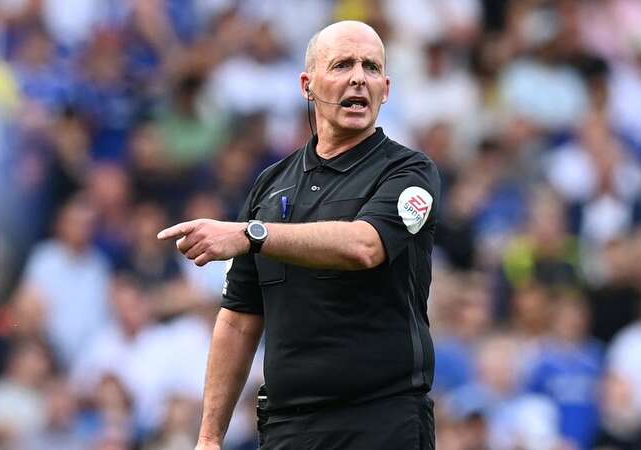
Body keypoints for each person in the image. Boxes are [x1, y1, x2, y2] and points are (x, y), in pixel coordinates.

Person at [158, 20, 440, 450]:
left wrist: (253, 234)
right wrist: (210, 436)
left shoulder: (408, 172)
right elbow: (238, 319)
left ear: (386, 87)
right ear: (308, 85)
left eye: (371, 67)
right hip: (288, 429)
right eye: (343, 64)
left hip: (382, 421)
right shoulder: (270, 186)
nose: (358, 78)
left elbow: (364, 246)